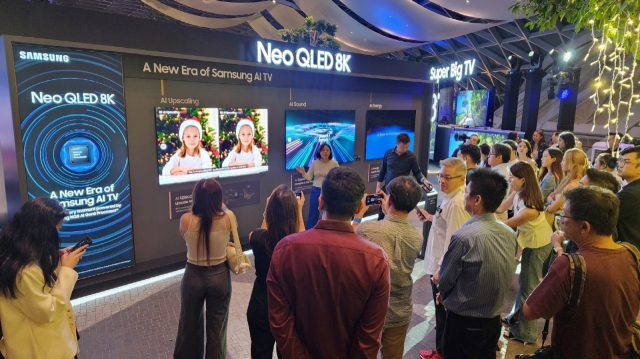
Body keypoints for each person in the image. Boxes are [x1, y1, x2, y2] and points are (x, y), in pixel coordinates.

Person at [267, 167, 390, 359]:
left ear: (320, 202)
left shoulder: (285, 250)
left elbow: (280, 322)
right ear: (359, 208)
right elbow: (370, 336)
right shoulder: (376, 260)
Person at [523, 187, 640, 359]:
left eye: (565, 216)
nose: (561, 220)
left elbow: (530, 311)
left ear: (584, 226)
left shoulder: (569, 265)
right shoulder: (632, 254)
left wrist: (557, 251)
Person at [437, 169, 517, 359]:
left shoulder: (464, 237)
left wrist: (443, 294)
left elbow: (446, 279)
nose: (464, 195)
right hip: (493, 320)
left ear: (477, 199)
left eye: (466, 192)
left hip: (464, 321)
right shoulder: (509, 233)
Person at [0, 198, 87, 359]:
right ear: (39, 232)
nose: (56, 236)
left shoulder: (14, 255)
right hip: (43, 351)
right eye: (55, 231)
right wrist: (67, 270)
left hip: (44, 346)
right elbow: (48, 312)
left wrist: (54, 258)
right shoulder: (23, 272)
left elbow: (39, 283)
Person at [352, 176, 423, 359]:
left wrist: (358, 215)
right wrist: (388, 211)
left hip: (369, 310)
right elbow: (394, 230)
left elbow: (346, 241)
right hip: (400, 310)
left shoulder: (367, 229)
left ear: (389, 199)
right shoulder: (417, 236)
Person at [174, 178, 234, 359]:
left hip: (193, 276)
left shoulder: (186, 220)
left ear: (196, 197)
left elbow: (186, 238)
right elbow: (224, 214)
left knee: (189, 326)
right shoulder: (228, 218)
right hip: (219, 276)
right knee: (217, 330)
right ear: (218, 198)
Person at [417, 158, 470, 359]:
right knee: (442, 314)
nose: (441, 181)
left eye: (447, 177)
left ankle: (443, 353)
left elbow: (454, 243)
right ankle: (441, 350)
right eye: (440, 176)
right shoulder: (451, 197)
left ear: (462, 178)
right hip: (439, 264)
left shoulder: (457, 203)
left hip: (443, 268)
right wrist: (431, 218)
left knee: (444, 315)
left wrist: (442, 272)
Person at [497, 162, 552, 344]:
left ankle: (526, 334)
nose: (509, 179)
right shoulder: (518, 193)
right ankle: (516, 319)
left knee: (528, 287)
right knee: (524, 283)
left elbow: (506, 224)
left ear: (523, 180)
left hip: (539, 245)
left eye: (512, 177)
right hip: (529, 242)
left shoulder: (531, 209)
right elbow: (500, 209)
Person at [247, 185, 305, 359]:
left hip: (260, 306)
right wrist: (299, 210)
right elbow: (301, 232)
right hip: (289, 308)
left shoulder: (256, 238)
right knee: (287, 353)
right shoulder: (298, 244)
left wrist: (267, 211)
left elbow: (261, 231)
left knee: (260, 353)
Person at [377, 133, 431, 220]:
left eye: (407, 147)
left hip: (401, 192)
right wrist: (378, 187)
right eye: (402, 147)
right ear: (396, 144)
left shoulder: (411, 157)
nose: (405, 149)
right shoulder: (388, 153)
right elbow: (382, 170)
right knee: (382, 213)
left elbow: (417, 172)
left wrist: (424, 180)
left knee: (397, 215)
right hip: (387, 189)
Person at [295, 143, 339, 229]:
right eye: (323, 150)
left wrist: (327, 175)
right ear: (319, 152)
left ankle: (328, 233)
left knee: (329, 214)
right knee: (313, 214)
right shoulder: (315, 163)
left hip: (329, 191)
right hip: (316, 191)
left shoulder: (334, 164)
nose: (325, 152)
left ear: (330, 152)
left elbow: (337, 177)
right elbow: (309, 177)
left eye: (327, 150)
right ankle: (309, 235)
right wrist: (303, 173)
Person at [545, 148, 588, 215]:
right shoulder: (567, 180)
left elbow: (551, 209)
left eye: (564, 160)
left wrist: (549, 199)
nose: (561, 163)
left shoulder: (572, 185)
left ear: (573, 163)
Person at [616, 146, 640, 247]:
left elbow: (603, 213)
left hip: (631, 251)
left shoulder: (631, 194)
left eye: (625, 162)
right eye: (619, 160)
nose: (620, 165)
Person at [488, 143, 511, 221]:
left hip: (497, 212)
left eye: (490, 154)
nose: (488, 156)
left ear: (499, 157)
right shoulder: (498, 170)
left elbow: (492, 196)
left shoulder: (501, 174)